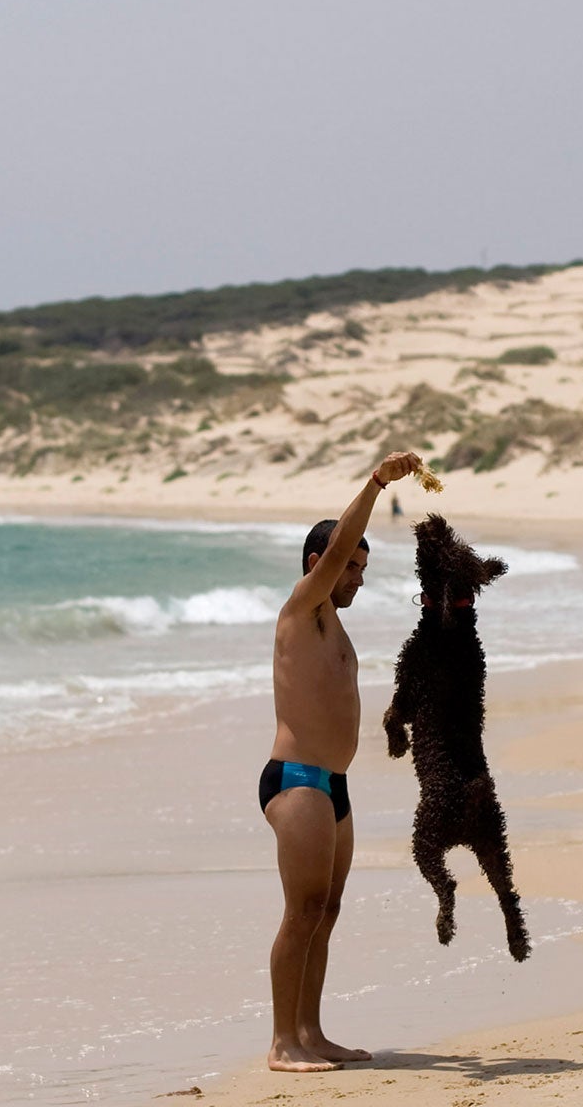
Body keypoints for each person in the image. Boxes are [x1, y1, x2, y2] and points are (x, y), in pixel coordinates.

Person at [258, 450, 425, 1073]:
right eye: (350, 568)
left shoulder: (335, 628)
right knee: (300, 911)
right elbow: (335, 552)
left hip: (334, 784)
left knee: (325, 912)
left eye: (360, 569)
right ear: (318, 566)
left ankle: (310, 1030)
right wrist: (378, 483)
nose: (356, 578)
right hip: (296, 782)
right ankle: (281, 1043)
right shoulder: (301, 610)